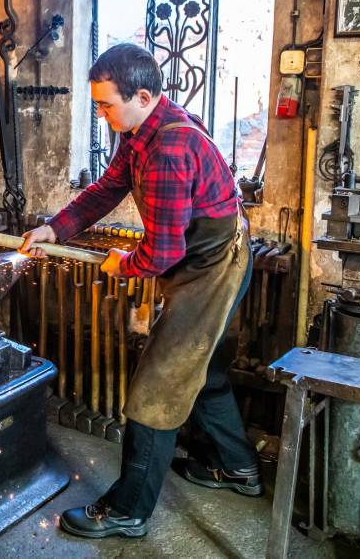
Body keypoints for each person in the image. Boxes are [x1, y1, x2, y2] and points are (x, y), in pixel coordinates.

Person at [21, 43, 259, 539]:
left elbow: (163, 253)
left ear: (143, 96)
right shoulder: (140, 131)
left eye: (106, 105)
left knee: (158, 386)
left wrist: (124, 264)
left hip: (212, 268)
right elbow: (108, 187)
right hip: (210, 255)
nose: (101, 115)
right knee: (204, 368)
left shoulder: (169, 148)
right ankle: (237, 467)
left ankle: (127, 511)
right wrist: (55, 228)